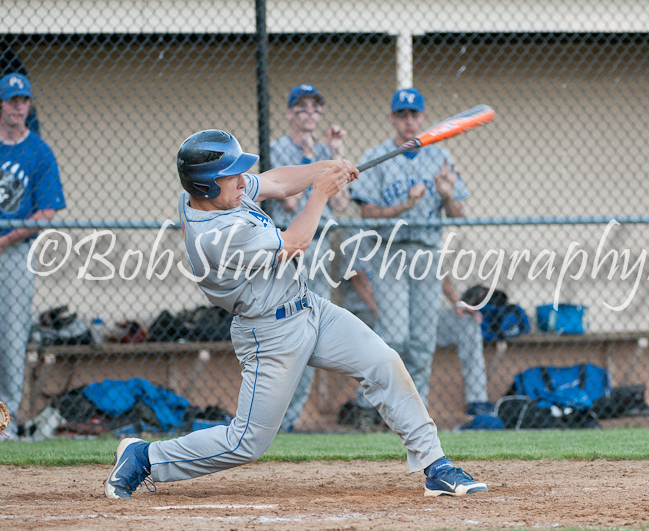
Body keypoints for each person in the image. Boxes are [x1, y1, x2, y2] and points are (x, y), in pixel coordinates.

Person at [103, 129, 487, 499]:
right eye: (230, 175)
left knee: (384, 362)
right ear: (205, 184)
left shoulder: (210, 196)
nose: (241, 181)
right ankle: (147, 457)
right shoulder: (217, 235)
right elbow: (297, 242)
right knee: (247, 442)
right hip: (269, 333)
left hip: (310, 309)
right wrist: (321, 193)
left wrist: (326, 167)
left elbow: (277, 182)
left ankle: (435, 466)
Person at [349, 88, 470, 406]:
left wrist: (446, 195)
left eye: (414, 114)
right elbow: (367, 213)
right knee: (394, 336)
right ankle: (370, 407)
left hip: (427, 252)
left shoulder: (441, 157)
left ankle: (416, 411)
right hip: (391, 251)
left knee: (422, 342)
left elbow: (460, 215)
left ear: (423, 118)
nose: (409, 121)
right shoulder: (378, 155)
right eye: (402, 115)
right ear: (392, 119)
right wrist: (404, 206)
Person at [0, 73, 66, 439]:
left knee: (13, 341)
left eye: (24, 100)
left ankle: (3, 426)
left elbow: (45, 213)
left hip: (15, 253)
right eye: (11, 100)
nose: (18, 106)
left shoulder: (39, 152)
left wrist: (2, 242)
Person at [268, 84, 348, 432]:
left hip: (318, 247)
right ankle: (273, 419)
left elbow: (341, 207)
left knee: (309, 334)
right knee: (285, 332)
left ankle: (290, 420)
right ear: (289, 113)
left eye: (315, 108)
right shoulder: (277, 149)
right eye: (301, 108)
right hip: (287, 246)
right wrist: (309, 164)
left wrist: (336, 154)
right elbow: (287, 202)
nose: (309, 114)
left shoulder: (326, 153)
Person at [341, 252, 493, 429]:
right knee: (394, 336)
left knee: (466, 323)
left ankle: (476, 402)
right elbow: (358, 278)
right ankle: (368, 409)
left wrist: (457, 302)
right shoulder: (358, 233)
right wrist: (384, 311)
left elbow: (433, 269)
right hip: (369, 313)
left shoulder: (413, 232)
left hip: (415, 315)